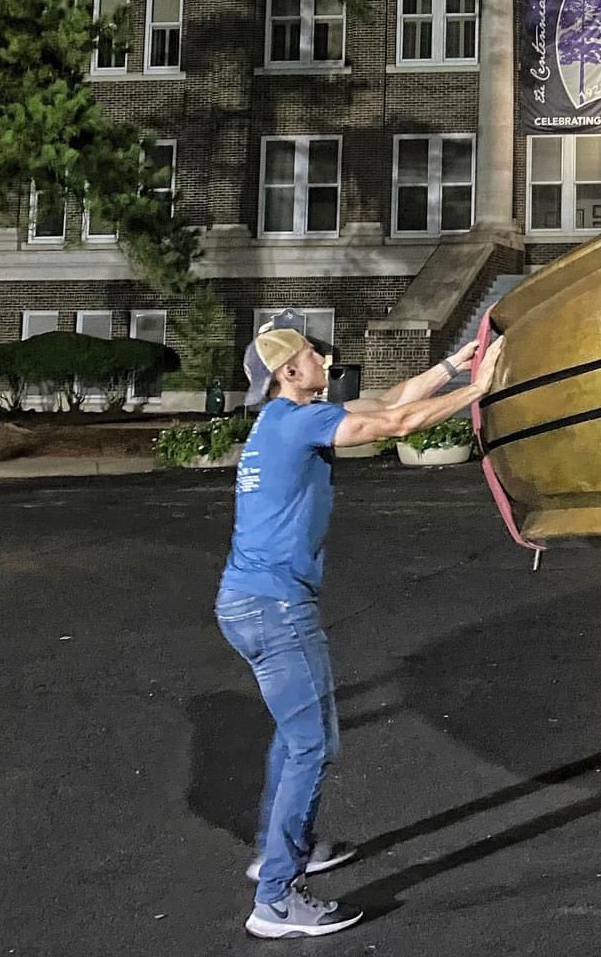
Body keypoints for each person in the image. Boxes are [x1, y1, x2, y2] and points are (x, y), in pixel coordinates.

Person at [216, 314, 505, 939]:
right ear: (289, 373)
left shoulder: (280, 422)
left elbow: (386, 402)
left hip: (249, 603)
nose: (324, 356)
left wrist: (455, 367)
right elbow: (395, 424)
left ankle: (279, 850)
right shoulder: (299, 423)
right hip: (276, 609)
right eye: (313, 354)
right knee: (311, 746)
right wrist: (482, 388)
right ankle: (275, 899)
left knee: (296, 737)